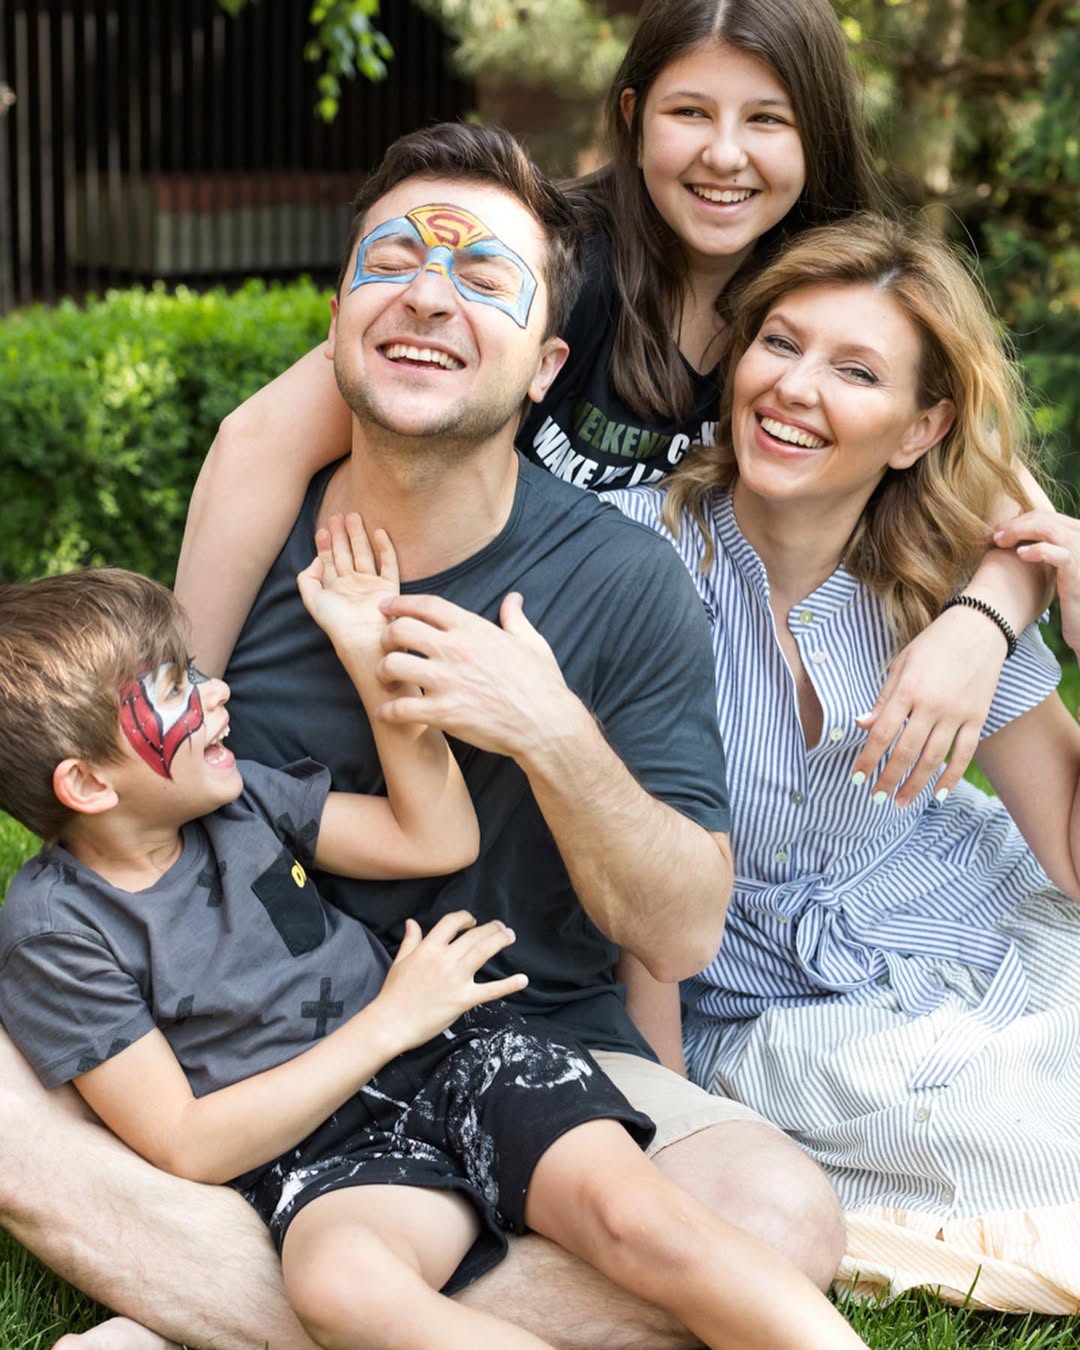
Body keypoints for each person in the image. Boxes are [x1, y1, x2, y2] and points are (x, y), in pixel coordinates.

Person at [0, 123, 847, 1350]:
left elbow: (681, 929)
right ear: (339, 316)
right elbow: (135, 780)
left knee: (775, 1213)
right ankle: (331, 1298)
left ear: (546, 363)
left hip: (515, 1027)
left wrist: (545, 727)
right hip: (254, 1063)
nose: (428, 296)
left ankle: (208, 1308)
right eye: (389, 263)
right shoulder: (261, 520)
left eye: (482, 279)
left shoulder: (621, 581)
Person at [0, 527, 868, 1350]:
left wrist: (370, 654)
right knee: (343, 1288)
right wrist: (388, 1021)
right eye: (172, 692)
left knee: (634, 1216)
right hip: (321, 1148)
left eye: (192, 669)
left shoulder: (241, 800)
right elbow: (185, 1141)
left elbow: (436, 839)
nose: (214, 691)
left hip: (460, 1060)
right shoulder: (55, 929)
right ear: (84, 783)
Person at [177, 0, 1049, 811]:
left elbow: (1002, 504)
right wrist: (179, 717)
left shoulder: (829, 308)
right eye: (691, 113)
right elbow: (259, 442)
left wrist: (978, 630)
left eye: (768, 120)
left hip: (665, 710)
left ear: (817, 138)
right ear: (632, 119)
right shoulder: (548, 269)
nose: (725, 154)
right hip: (439, 651)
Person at [606, 213, 1080, 1315]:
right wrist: (670, 1113)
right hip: (763, 991)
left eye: (855, 371)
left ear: (921, 430)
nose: (795, 388)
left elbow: (1067, 849)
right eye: (781, 344)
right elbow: (635, 887)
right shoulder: (635, 557)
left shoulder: (947, 586)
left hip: (965, 911)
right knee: (1015, 1131)